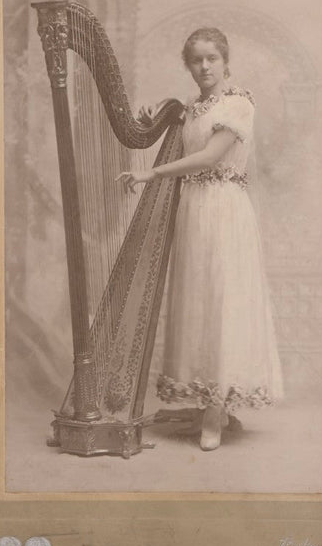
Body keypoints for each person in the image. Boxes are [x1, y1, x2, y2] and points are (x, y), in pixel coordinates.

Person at [117, 28, 284, 451]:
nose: (204, 67)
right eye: (196, 60)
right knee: (198, 300)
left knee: (223, 300)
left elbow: (210, 157)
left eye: (211, 58)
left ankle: (216, 410)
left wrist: (150, 174)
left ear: (226, 61)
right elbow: (181, 136)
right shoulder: (191, 108)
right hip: (193, 209)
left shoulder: (239, 104)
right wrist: (155, 118)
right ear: (188, 65)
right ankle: (207, 404)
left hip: (224, 209)